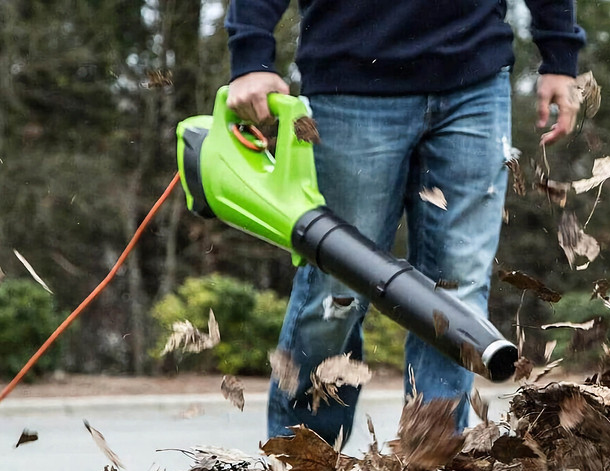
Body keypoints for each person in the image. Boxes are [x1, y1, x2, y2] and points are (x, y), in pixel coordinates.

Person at [225, 0, 586, 445]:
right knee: (335, 290)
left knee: (457, 291)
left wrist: (560, 54)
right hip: (350, 79)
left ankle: (433, 468)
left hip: (475, 78)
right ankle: (304, 466)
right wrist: (250, 55)